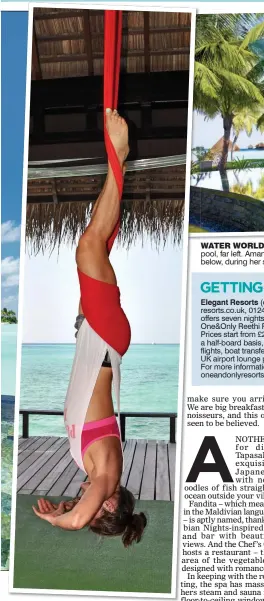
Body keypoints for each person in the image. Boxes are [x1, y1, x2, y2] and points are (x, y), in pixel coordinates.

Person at [32, 109, 147, 548]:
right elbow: (78, 521)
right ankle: (119, 153)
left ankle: (117, 162)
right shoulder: (108, 473)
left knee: (92, 239)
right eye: (96, 507)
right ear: (111, 504)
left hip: (95, 337)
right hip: (105, 338)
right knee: (89, 244)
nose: (83, 500)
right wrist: (60, 521)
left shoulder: (94, 469)